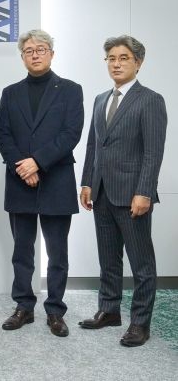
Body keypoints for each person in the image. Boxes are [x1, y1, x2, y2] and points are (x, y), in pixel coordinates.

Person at [79, 35, 167, 347]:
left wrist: (145, 191)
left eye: (124, 58)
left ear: (138, 63)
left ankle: (140, 323)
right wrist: (87, 182)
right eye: (111, 58)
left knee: (142, 264)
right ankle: (109, 310)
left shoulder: (150, 100)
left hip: (133, 195)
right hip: (102, 192)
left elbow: (153, 152)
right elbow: (93, 145)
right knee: (108, 259)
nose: (116, 64)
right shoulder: (101, 99)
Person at [0, 29, 84, 337]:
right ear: (22, 57)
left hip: (56, 180)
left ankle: (55, 310)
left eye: (41, 49)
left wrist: (38, 162)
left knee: (57, 253)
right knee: (22, 251)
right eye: (29, 50)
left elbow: (71, 133)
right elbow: (2, 134)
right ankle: (24, 306)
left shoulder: (70, 90)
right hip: (20, 181)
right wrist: (22, 167)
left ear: (52, 54)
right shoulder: (10, 92)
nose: (35, 54)